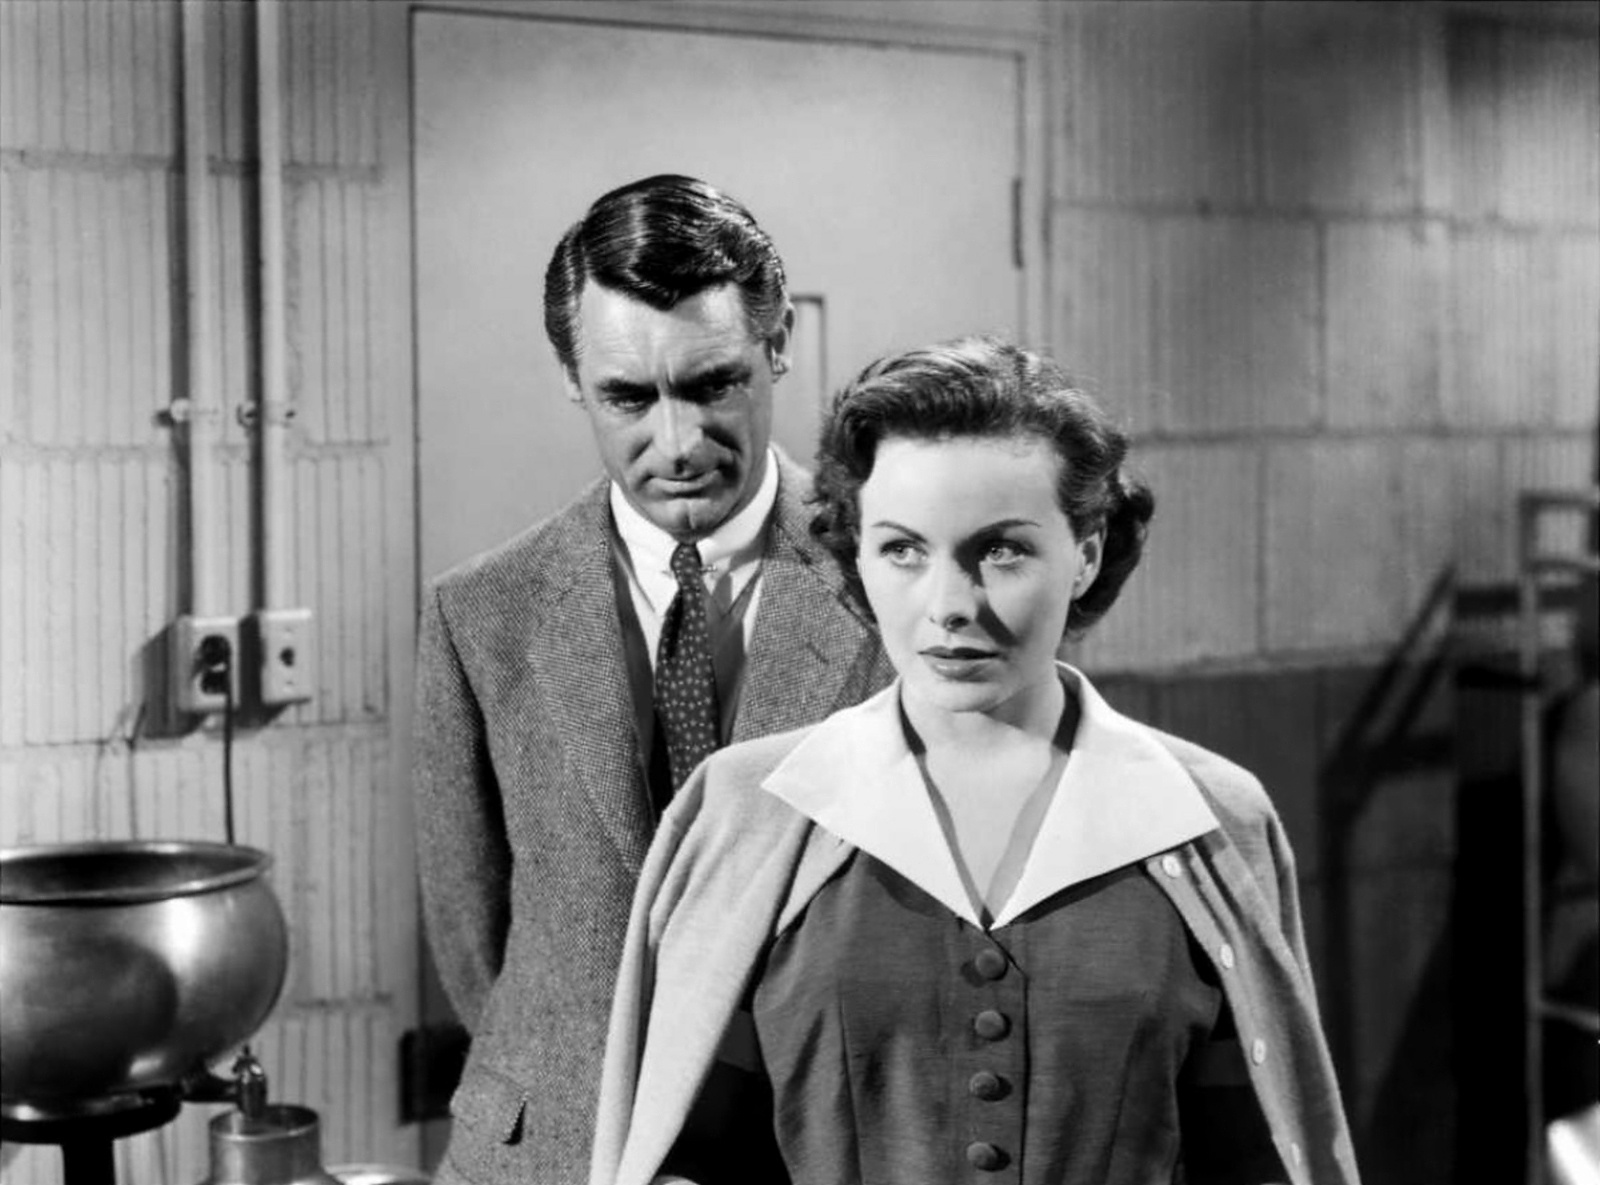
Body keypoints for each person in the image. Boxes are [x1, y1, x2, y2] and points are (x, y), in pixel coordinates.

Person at [590, 337, 1361, 1185]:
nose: (950, 605)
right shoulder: (747, 812)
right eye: (903, 550)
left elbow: (1253, 1155)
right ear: (858, 556)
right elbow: (688, 1154)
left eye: (1002, 550)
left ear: (1087, 553)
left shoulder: (1209, 820)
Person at [412, 175, 893, 1185]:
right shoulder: (481, 614)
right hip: (552, 1150)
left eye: (713, 384)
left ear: (777, 346)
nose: (676, 444)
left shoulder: (895, 589)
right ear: (571, 378)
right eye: (628, 398)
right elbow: (472, 938)